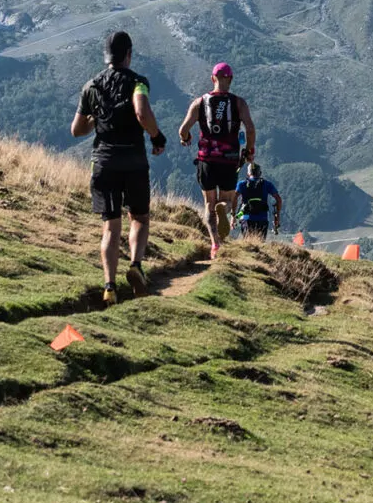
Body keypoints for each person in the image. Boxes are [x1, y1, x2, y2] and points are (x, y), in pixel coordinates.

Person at [70, 30, 168, 303]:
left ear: (106, 56)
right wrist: (157, 136)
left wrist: (97, 117)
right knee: (139, 218)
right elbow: (142, 112)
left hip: (103, 162)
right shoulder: (138, 82)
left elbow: (77, 130)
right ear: (128, 54)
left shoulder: (90, 87)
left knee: (110, 226)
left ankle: (109, 287)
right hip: (133, 161)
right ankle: (136, 266)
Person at [177, 61, 256, 260]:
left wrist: (186, 139)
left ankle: (214, 244)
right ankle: (225, 208)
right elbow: (250, 128)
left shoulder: (199, 103)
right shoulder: (238, 103)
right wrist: (249, 151)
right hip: (229, 160)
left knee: (208, 204)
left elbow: (183, 129)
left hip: (206, 161)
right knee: (228, 199)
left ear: (213, 78)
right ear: (230, 79)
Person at [233, 162, 282, 241]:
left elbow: (234, 198)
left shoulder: (242, 184)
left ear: (248, 173)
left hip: (246, 218)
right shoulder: (267, 184)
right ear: (260, 173)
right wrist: (277, 216)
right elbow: (278, 199)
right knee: (260, 244)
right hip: (262, 218)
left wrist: (233, 216)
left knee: (248, 243)